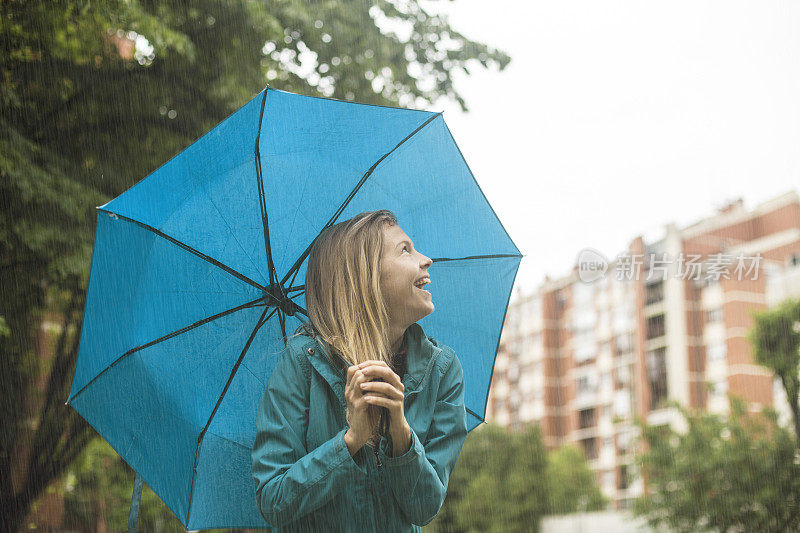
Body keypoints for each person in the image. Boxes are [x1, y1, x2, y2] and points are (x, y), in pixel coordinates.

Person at [251, 210, 469, 532]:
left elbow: (424, 507)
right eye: (405, 249)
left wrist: (401, 433)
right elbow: (274, 499)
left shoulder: (442, 370)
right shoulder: (301, 362)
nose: (426, 260)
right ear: (365, 277)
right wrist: (351, 441)